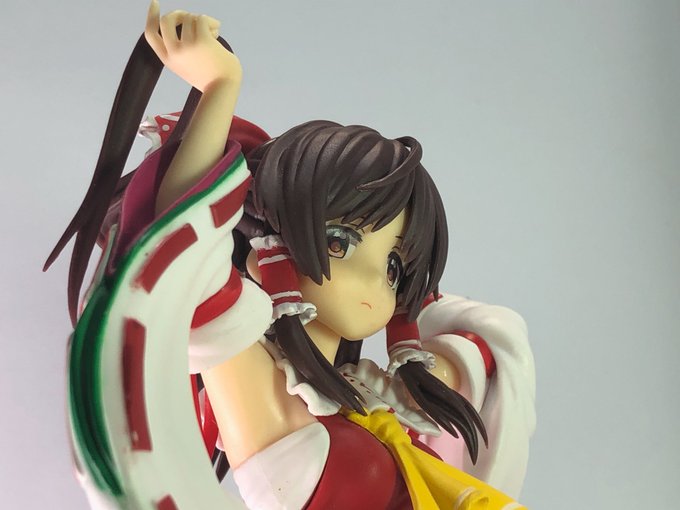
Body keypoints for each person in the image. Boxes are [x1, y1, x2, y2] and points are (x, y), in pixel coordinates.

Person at [46, 2, 535, 509]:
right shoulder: (253, 378)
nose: (373, 283)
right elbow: (182, 246)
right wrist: (220, 88)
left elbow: (486, 350)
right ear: (268, 248)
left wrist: (451, 348)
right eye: (340, 243)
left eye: (393, 267)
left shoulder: (370, 396)